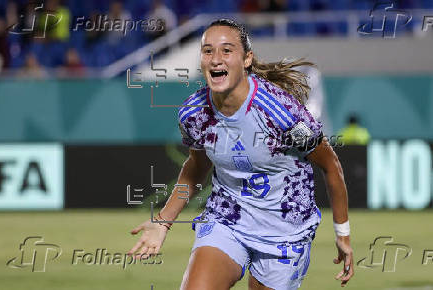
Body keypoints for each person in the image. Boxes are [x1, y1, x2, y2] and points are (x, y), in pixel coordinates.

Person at [128, 18, 354, 290]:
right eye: (208, 50)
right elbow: (197, 166)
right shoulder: (194, 113)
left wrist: (343, 234)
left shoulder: (280, 112)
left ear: (247, 59)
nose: (215, 59)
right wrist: (163, 222)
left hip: (284, 232)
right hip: (228, 219)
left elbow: (331, 166)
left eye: (226, 50)